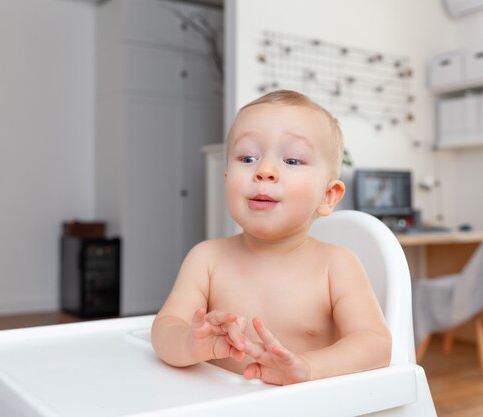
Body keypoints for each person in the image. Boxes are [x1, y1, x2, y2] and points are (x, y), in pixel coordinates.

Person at [151, 90, 391, 385]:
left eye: (292, 160)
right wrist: (189, 343)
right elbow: (165, 328)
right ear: (227, 179)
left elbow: (376, 345)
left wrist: (308, 367)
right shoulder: (206, 259)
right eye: (248, 157)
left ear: (328, 196)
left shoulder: (336, 266)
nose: (264, 171)